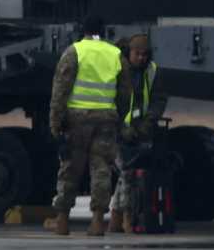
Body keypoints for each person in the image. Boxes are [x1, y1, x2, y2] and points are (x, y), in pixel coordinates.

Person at [46, 20, 122, 236]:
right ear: (105, 31)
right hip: (106, 118)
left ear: (83, 31)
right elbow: (125, 92)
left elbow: (60, 90)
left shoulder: (74, 51)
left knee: (70, 169)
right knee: (101, 169)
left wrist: (55, 123)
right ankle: (98, 222)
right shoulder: (115, 53)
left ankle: (62, 221)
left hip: (76, 119)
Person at [109, 32, 167, 233]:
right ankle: (125, 219)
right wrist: (122, 128)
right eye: (137, 54)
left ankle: (116, 219)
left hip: (140, 130)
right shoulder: (117, 71)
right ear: (129, 52)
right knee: (127, 172)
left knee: (128, 174)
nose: (141, 58)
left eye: (144, 54)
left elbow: (158, 100)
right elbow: (110, 101)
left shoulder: (152, 71)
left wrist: (147, 124)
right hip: (118, 131)